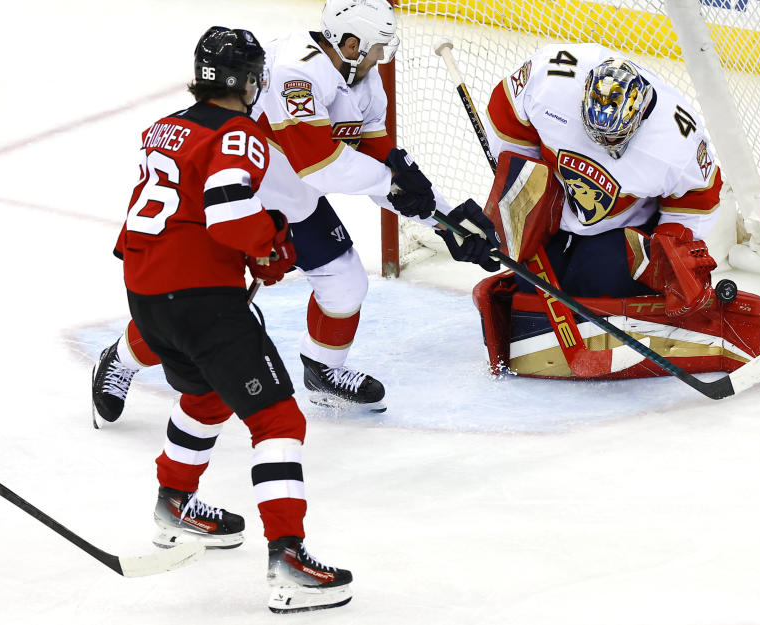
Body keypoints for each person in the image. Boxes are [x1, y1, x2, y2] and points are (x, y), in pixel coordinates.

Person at [92, 0, 496, 424]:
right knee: (197, 313)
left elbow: (376, 158)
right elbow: (322, 165)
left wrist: (446, 219)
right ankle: (120, 358)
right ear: (352, 42)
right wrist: (392, 182)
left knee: (345, 283)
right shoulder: (295, 73)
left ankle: (324, 372)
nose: (383, 56)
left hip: (291, 201)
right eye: (378, 46)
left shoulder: (364, 78)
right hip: (234, 201)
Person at [118, 26, 354, 613]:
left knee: (205, 395)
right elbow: (227, 213)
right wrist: (269, 244)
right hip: (202, 300)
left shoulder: (164, 127)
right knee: (278, 419)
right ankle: (289, 559)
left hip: (146, 294)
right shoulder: (239, 133)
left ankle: (174, 504)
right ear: (246, 82)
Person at [472, 44, 760, 379]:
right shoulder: (551, 80)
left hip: (623, 232)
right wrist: (526, 186)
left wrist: (669, 248)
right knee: (530, 297)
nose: (601, 144)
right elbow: (506, 109)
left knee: (586, 288)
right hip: (553, 211)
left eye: (612, 138)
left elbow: (701, 197)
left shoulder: (675, 138)